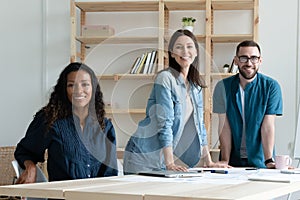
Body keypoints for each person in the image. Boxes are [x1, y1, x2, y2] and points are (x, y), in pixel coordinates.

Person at [123, 29, 230, 174]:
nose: (185, 51)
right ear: (172, 53)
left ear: (196, 52)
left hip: (161, 159)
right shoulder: (166, 78)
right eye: (179, 47)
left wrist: (208, 161)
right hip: (142, 156)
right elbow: (164, 122)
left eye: (189, 46)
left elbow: (200, 125)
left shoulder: (195, 85)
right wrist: (170, 163)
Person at [15, 62, 118, 183]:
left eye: (85, 84)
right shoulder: (50, 120)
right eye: (71, 85)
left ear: (93, 88)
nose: (78, 91)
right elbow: (25, 151)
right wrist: (31, 167)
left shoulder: (105, 126)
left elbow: (110, 174)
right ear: (64, 89)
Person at [213, 40, 283, 168]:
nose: (249, 63)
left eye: (254, 58)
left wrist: (269, 161)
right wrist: (224, 160)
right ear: (236, 60)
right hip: (232, 162)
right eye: (244, 58)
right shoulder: (222, 87)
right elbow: (224, 126)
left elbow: (267, 126)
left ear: (260, 60)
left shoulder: (271, 87)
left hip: (260, 161)